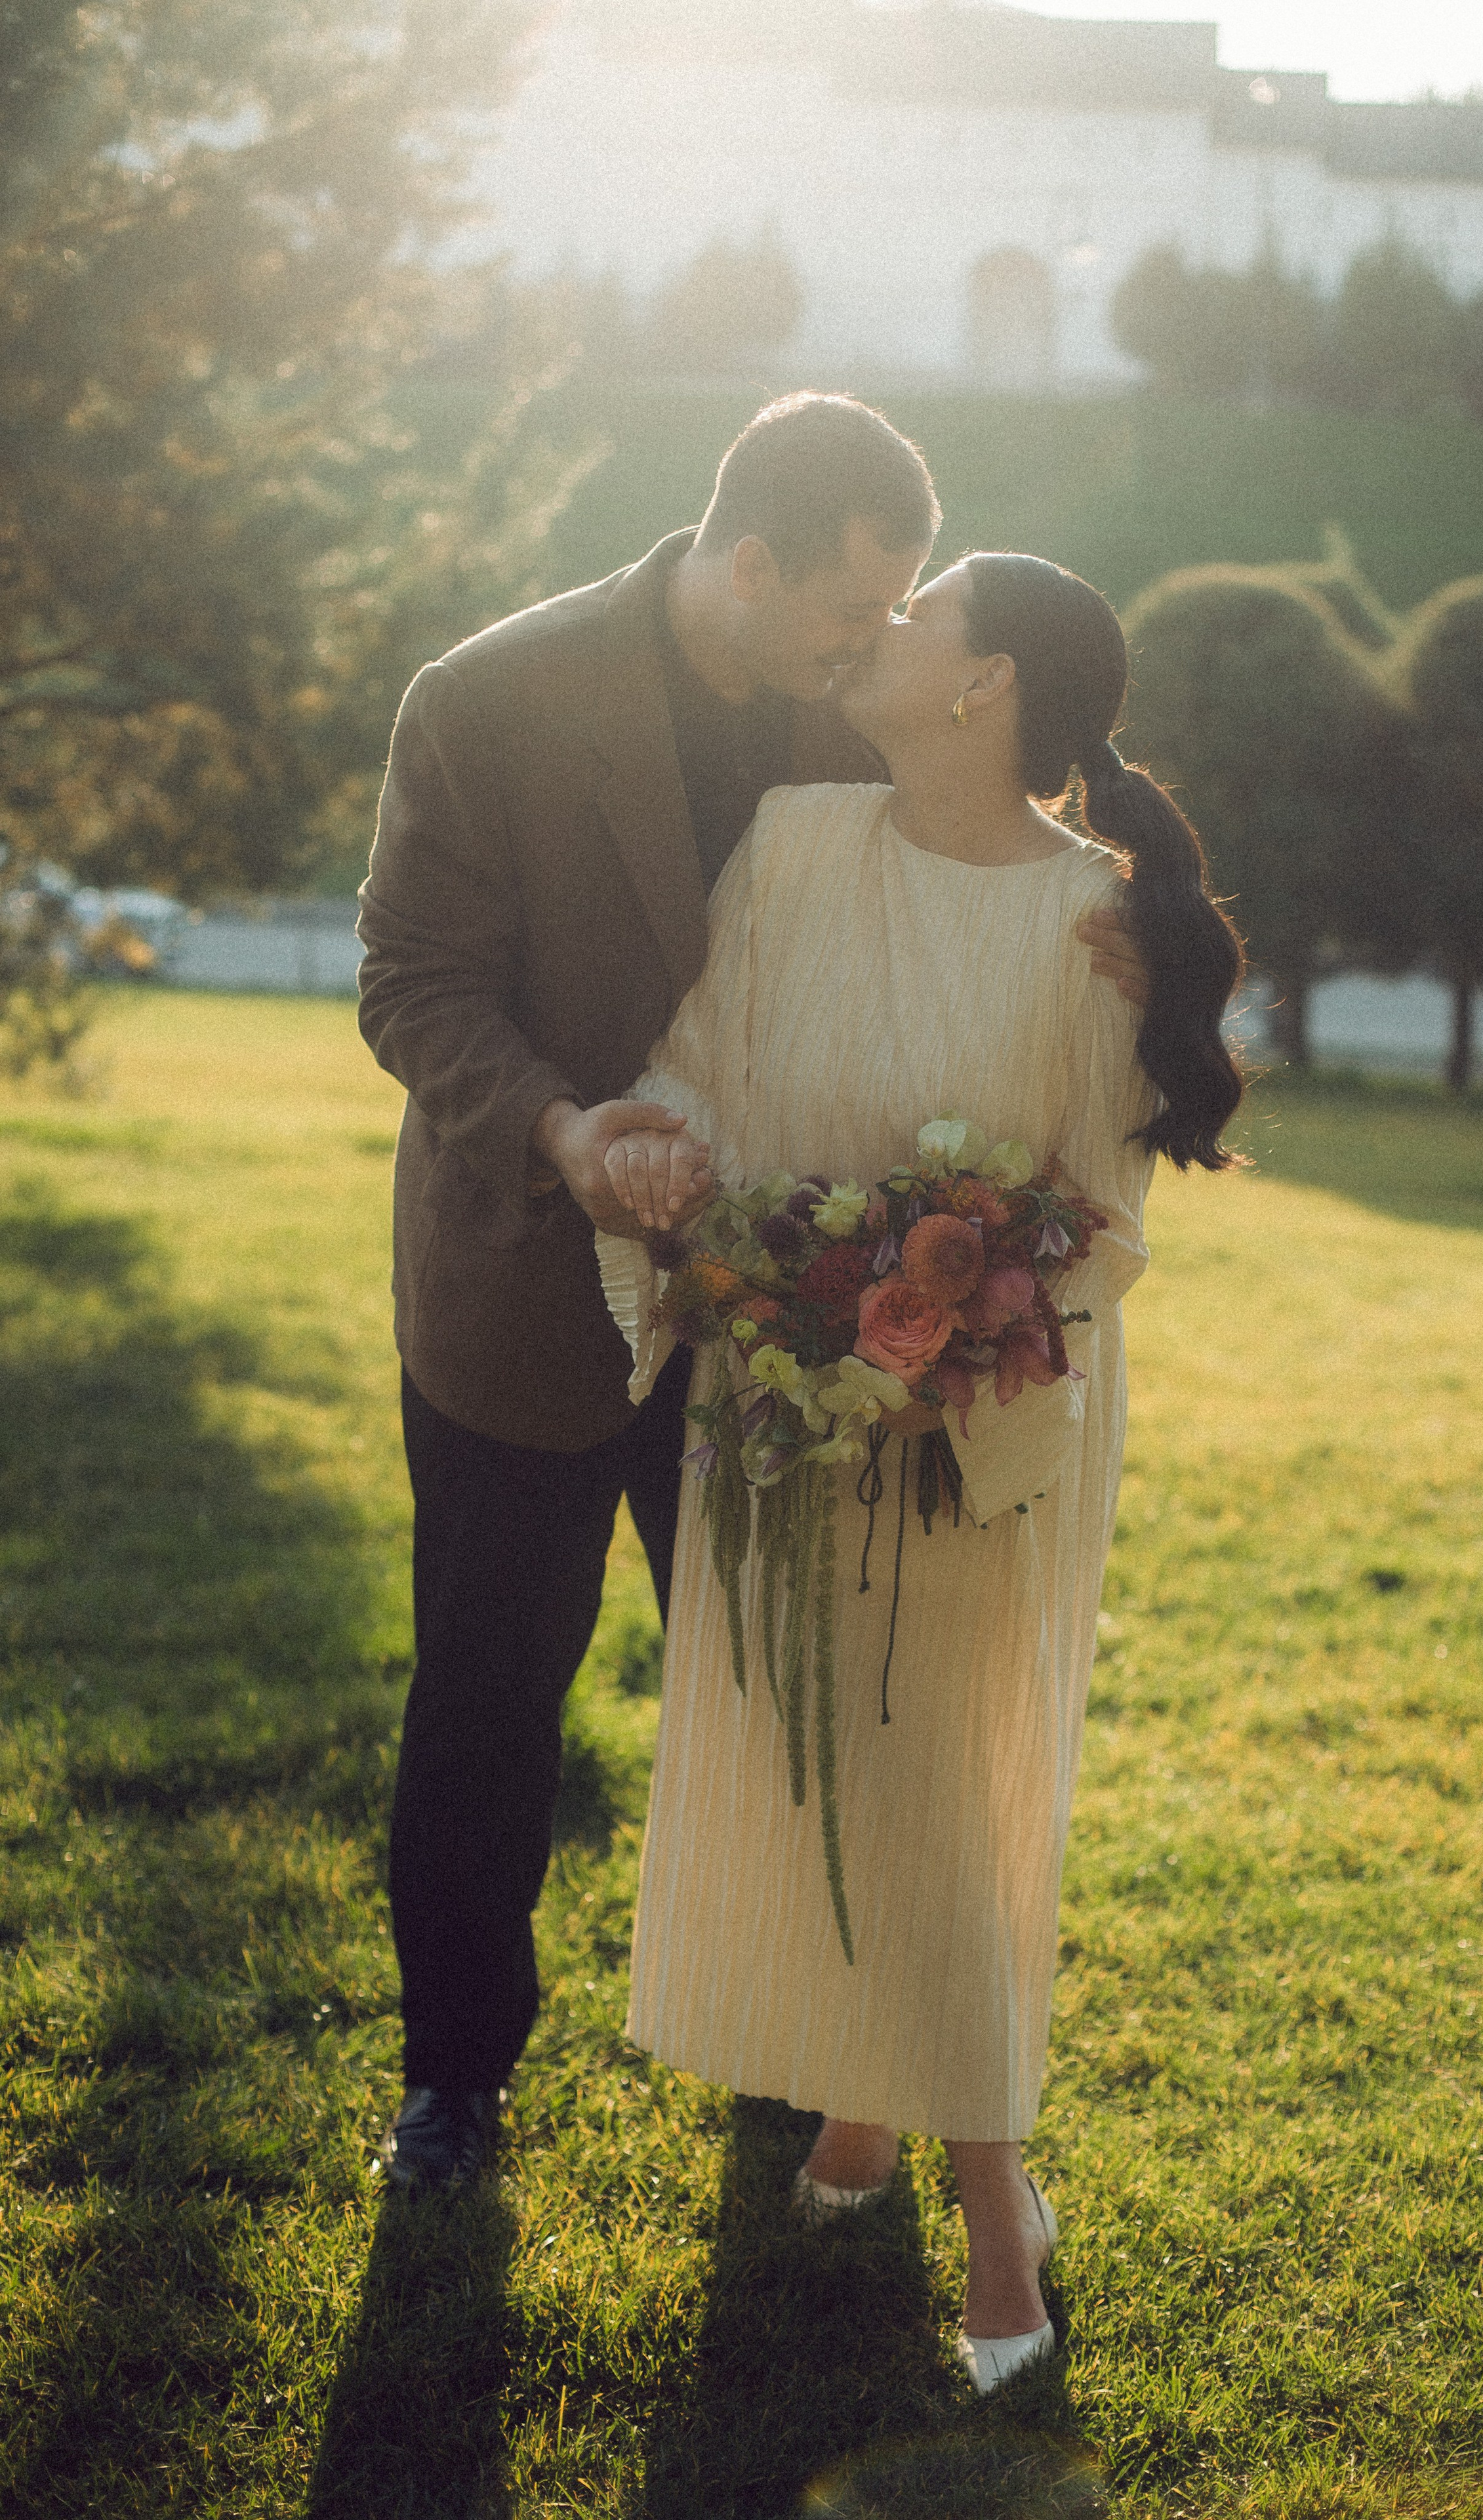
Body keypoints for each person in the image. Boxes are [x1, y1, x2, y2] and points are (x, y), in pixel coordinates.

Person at [356, 394, 1149, 2191]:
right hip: (527, 1281)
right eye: (843, 614)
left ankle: (804, 2056)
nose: (871, 646)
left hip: (804, 1310)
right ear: (748, 556)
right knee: (490, 1691)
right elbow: (409, 986)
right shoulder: (486, 697)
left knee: (813, 1686)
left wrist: (1119, 920)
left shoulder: (860, 700)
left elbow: (989, 816)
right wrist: (565, 1133)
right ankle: (457, 2077)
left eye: (894, 618)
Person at [584, 553, 1244, 2388]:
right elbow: (699, 1066)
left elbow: (1098, 1218)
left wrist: (953, 1319)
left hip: (989, 1414)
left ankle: (994, 2206)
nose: (884, 615)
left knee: (949, 1780)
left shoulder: (1092, 923)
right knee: (823, 1747)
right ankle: (862, 2100)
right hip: (790, 1381)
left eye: (928, 600)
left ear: (989, 683)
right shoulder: (794, 836)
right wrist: (737, 1240)